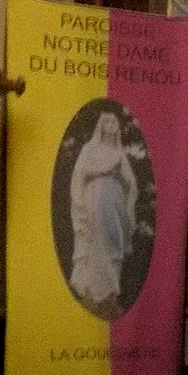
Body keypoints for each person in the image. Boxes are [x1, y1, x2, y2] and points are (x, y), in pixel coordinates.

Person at [69, 110, 139, 313]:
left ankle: (109, 292)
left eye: (114, 121)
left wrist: (119, 176)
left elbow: (131, 183)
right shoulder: (90, 149)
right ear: (100, 126)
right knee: (96, 240)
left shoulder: (119, 154)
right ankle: (93, 292)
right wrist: (106, 170)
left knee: (113, 243)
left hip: (114, 202)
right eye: (107, 121)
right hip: (95, 199)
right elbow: (81, 173)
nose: (111, 124)